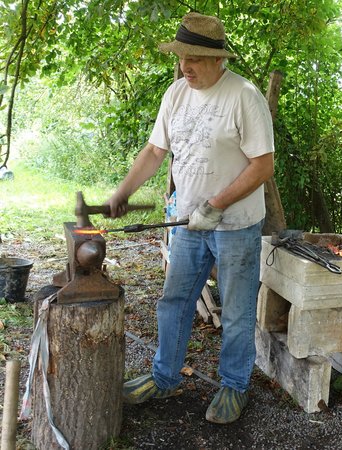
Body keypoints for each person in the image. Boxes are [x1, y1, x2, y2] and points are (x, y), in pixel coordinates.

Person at [106, 12, 275, 424]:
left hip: (235, 225)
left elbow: (263, 166)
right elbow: (154, 152)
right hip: (188, 223)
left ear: (219, 60)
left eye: (196, 58)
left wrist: (217, 203)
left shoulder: (244, 97)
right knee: (174, 302)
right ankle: (165, 378)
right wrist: (124, 190)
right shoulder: (176, 94)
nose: (186, 66)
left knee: (235, 311)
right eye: (183, 57)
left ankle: (234, 385)